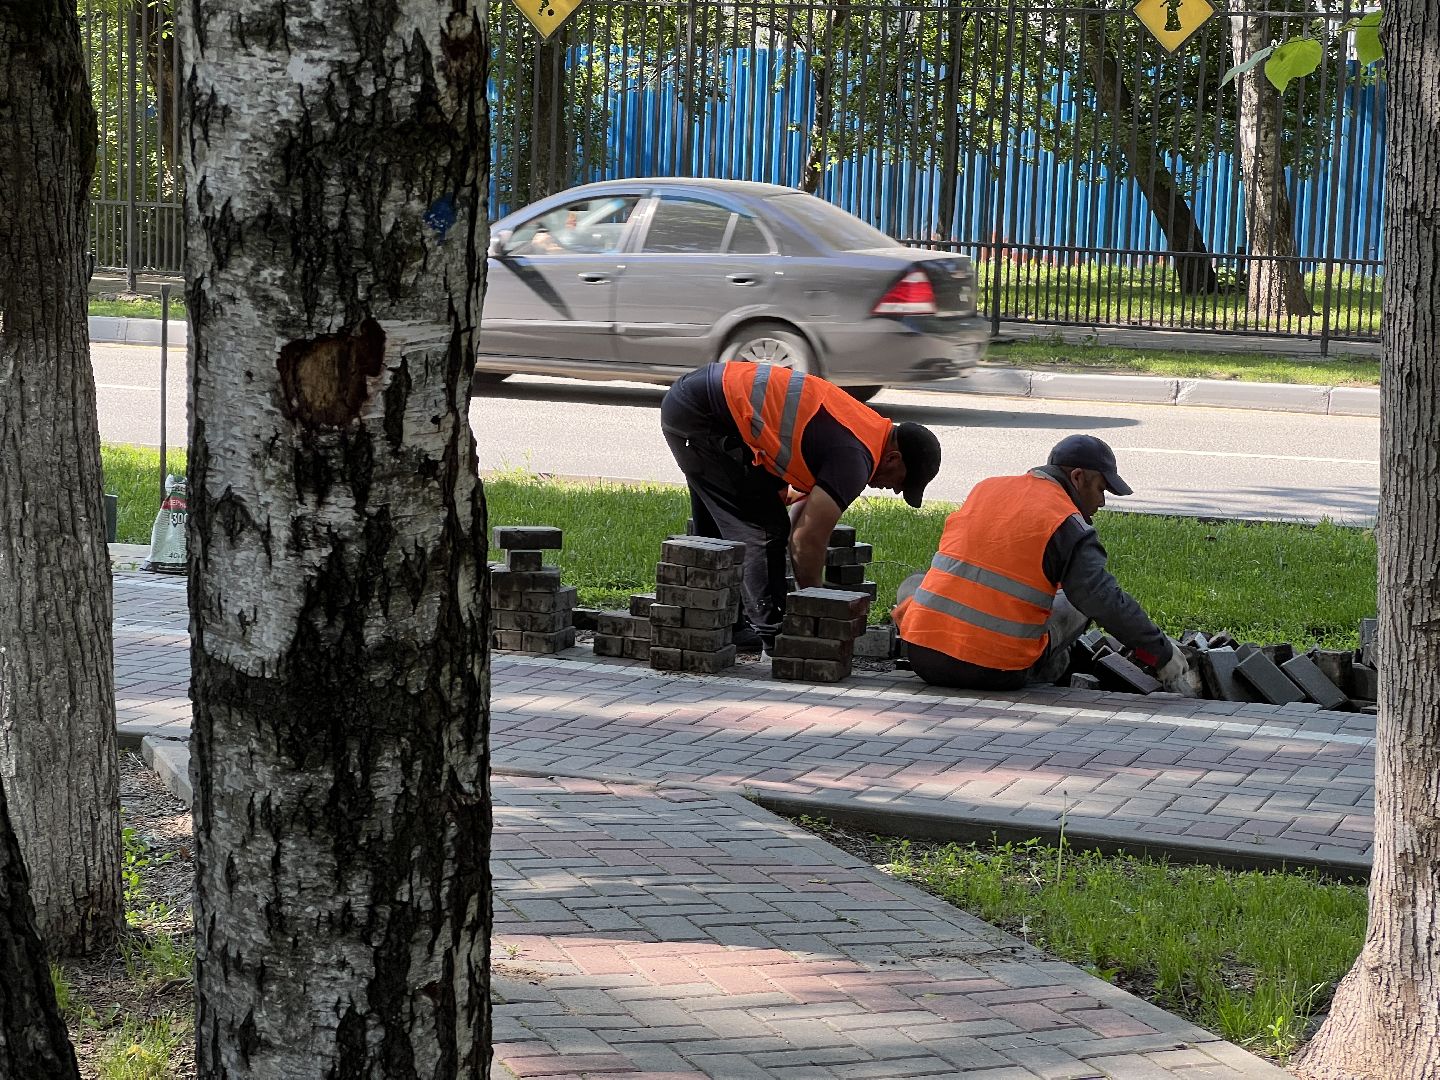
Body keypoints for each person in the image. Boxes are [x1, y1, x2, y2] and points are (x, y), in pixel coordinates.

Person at [661, 360, 942, 651]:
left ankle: (714, 624)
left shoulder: (865, 430)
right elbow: (807, 539)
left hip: (700, 400)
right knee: (763, 530)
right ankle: (775, 636)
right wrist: (816, 608)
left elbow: (802, 521)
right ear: (894, 459)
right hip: (706, 412)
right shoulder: (856, 458)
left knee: (720, 534)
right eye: (902, 483)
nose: (895, 490)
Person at [892, 434, 1196, 694]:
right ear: (1078, 477)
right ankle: (1055, 668)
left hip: (924, 657)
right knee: (1079, 601)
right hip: (994, 671)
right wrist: (1162, 653)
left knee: (915, 582)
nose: (1102, 502)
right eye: (1101, 489)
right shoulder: (1066, 523)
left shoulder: (986, 488)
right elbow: (1104, 600)